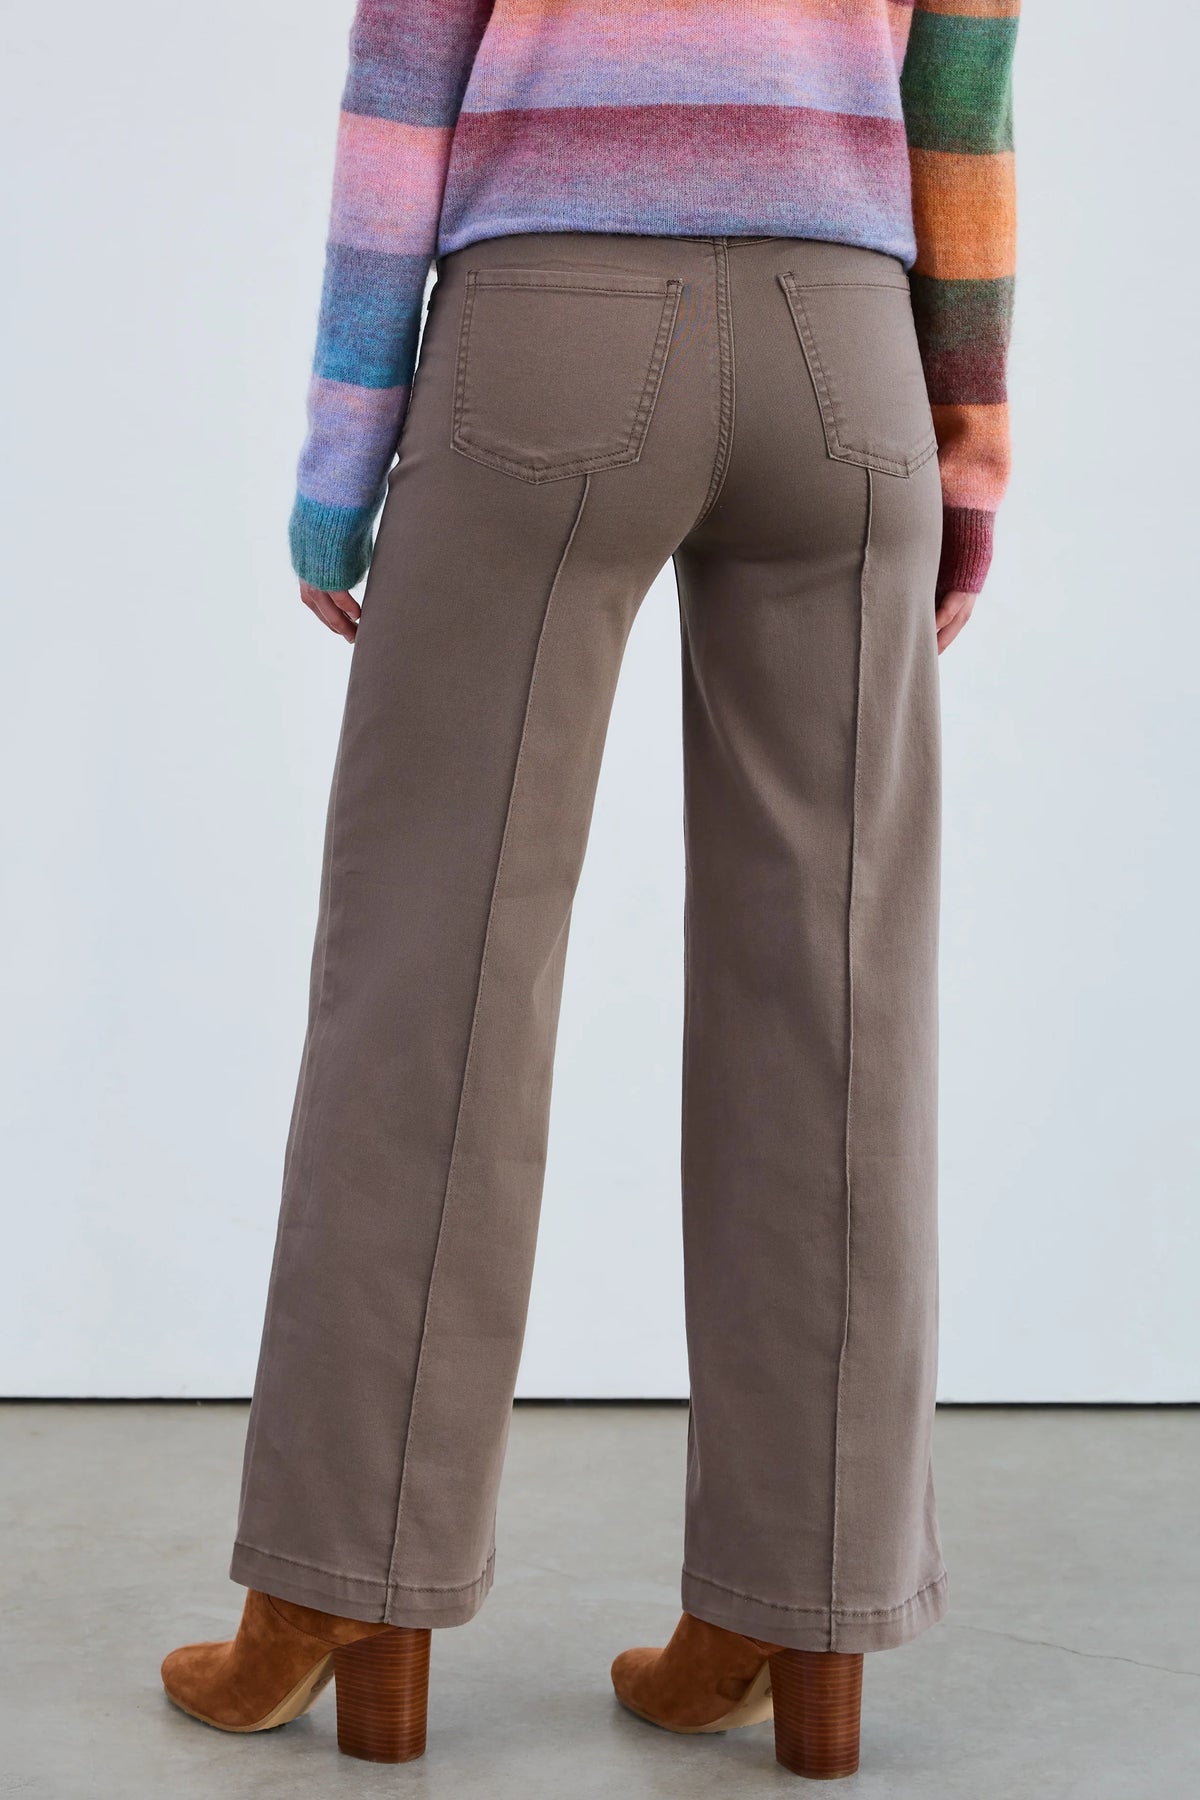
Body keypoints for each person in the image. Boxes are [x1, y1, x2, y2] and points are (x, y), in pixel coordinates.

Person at [160, 0, 1019, 1778]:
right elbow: (963, 90)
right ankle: (800, 1611)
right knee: (838, 998)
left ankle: (342, 1590)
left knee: (431, 972)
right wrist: (967, 439)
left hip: (546, 327)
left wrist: (343, 450)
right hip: (846, 341)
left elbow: (407, 74)